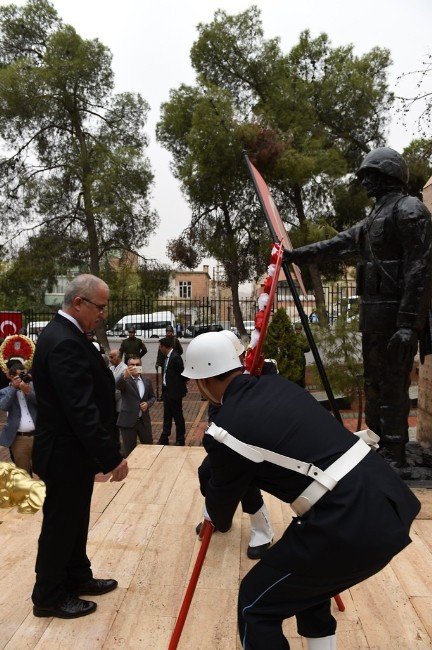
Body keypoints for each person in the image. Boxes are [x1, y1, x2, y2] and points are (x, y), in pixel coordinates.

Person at [182, 332, 420, 650]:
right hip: (388, 500)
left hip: (349, 523)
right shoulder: (277, 384)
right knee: (308, 590)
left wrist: (214, 493)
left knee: (256, 605)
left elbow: (221, 516)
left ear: (205, 382)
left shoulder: (225, 430)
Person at [285, 147, 432, 468]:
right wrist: (295, 255)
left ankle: (395, 453)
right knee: (375, 384)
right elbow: (336, 245)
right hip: (374, 315)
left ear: (388, 175)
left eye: (370, 176)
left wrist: (409, 324)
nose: (365, 184)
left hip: (396, 317)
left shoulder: (409, 210)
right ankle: (380, 445)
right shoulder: (375, 217)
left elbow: (419, 270)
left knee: (393, 385)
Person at [31, 274, 128, 620]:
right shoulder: (65, 341)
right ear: (79, 303)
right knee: (61, 523)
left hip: (72, 452)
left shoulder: (70, 335)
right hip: (64, 453)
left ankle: (76, 577)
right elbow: (80, 408)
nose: (103, 313)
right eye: (100, 307)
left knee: (74, 520)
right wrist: (111, 455)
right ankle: (49, 597)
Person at [198, 330, 274, 560]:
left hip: (252, 440)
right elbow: (215, 402)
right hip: (225, 437)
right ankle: (218, 515)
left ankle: (263, 532)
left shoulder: (262, 368)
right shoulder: (219, 372)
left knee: (246, 483)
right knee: (206, 472)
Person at [0, 360, 37, 474]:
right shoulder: (5, 391)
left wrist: (28, 392)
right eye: (18, 376)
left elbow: (42, 404)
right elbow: (3, 406)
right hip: (20, 439)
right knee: (23, 473)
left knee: (44, 471)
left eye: (23, 374)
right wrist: (14, 388)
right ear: (11, 377)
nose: (22, 378)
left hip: (39, 435)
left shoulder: (31, 387)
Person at [116, 356, 156, 456]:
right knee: (130, 452)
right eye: (132, 365)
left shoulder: (147, 381)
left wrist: (148, 404)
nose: (135, 367)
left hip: (143, 421)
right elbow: (118, 385)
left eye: (137, 365)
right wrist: (124, 376)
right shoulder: (125, 380)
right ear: (128, 367)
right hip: (128, 422)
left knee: (149, 449)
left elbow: (152, 397)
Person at [157, 336, 188, 446]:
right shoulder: (166, 357)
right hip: (166, 392)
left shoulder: (175, 357)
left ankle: (180, 438)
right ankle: (165, 436)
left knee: (177, 416)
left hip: (174, 393)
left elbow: (183, 375)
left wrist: (177, 386)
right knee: (167, 415)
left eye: (160, 346)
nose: (159, 349)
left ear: (165, 347)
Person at [108, 349, 127, 447]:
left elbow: (119, 388)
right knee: (113, 427)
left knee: (121, 427)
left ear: (119, 357)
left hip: (120, 402)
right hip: (112, 403)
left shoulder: (124, 369)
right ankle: (116, 445)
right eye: (109, 357)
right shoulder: (111, 368)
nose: (110, 359)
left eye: (112, 357)